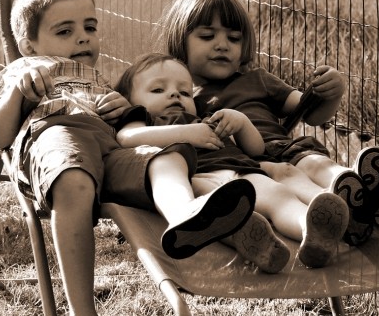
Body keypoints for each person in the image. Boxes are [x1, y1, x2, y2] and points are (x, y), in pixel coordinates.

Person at [0, 0, 258, 316]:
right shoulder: (19, 72)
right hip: (57, 134)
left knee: (167, 158)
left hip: (111, 148)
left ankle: (187, 218)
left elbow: (132, 134)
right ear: (28, 44)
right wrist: (18, 93)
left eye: (89, 27)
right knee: (74, 179)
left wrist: (126, 110)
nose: (82, 38)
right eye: (65, 31)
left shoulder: (103, 82)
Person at [158, 0, 379, 245]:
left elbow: (311, 114)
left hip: (280, 146)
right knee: (284, 179)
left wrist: (333, 92)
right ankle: (347, 209)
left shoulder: (257, 79)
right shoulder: (180, 98)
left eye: (234, 38)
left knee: (317, 164)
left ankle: (358, 188)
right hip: (242, 166)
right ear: (180, 41)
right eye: (207, 36)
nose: (222, 45)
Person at [115, 52, 354, 271]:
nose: (175, 94)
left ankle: (311, 232)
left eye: (185, 92)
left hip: (242, 170)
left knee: (280, 197)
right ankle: (258, 244)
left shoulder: (206, 117)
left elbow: (256, 149)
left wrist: (241, 123)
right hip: (197, 178)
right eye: (157, 90)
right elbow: (127, 138)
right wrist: (186, 133)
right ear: (130, 100)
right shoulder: (142, 117)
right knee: (221, 213)